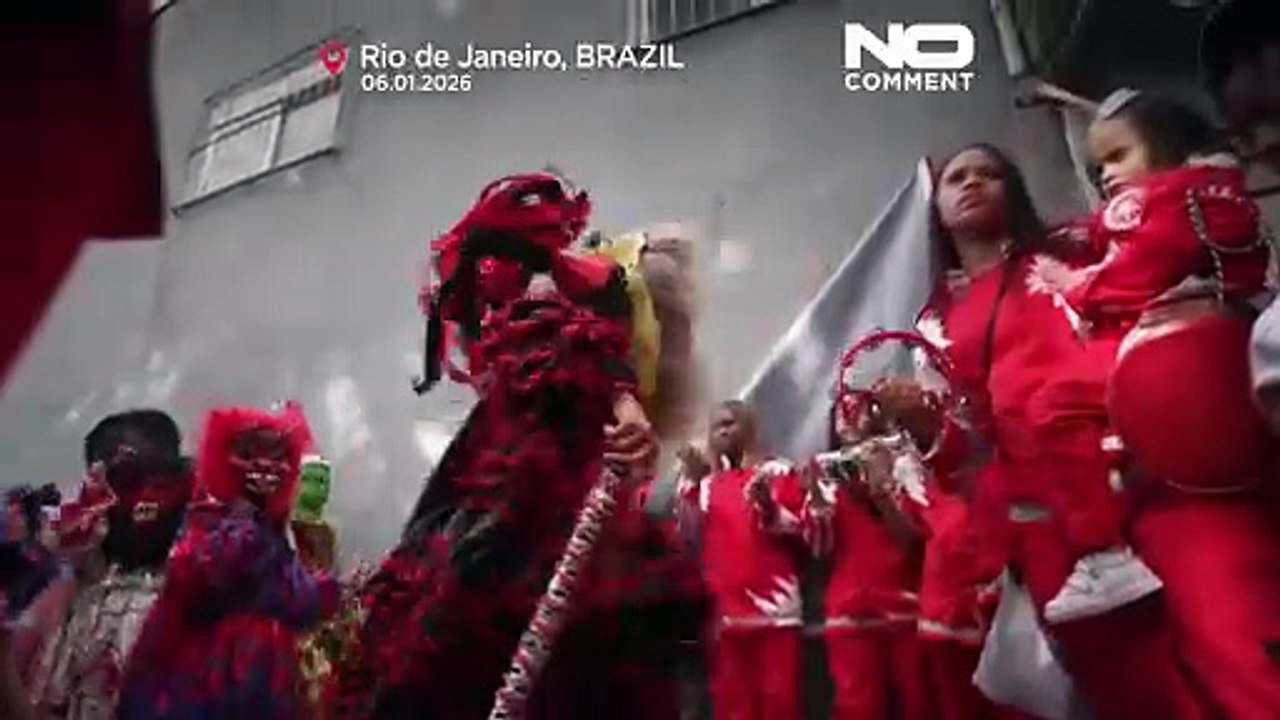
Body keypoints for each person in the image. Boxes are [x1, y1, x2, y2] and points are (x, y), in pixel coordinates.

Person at [328, 173, 705, 719]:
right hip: (514, 555)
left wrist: (619, 400)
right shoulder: (570, 367)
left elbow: (558, 342)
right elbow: (558, 343)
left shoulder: (575, 382)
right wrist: (621, 397)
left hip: (529, 565)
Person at [905, 143, 1205, 720]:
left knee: (1189, 665)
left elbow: (1156, 249)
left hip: (1137, 486)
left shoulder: (1071, 251)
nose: (972, 183)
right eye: (957, 178)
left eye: (988, 174)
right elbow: (964, 443)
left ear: (1012, 191)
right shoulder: (934, 321)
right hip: (1036, 530)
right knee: (1112, 685)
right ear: (937, 208)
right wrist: (921, 423)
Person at [1057, 90, 1280, 719]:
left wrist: (1075, 285)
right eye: (1098, 166)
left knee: (1239, 651)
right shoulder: (1217, 203)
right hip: (1191, 475)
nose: (1106, 176)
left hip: (1203, 483)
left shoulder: (1158, 209)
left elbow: (1126, 265)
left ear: (1170, 150)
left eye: (1119, 155)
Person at [117, 403, 341, 719]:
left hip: (265, 684)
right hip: (206, 687)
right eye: (249, 453)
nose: (264, 465)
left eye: (277, 456)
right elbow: (199, 575)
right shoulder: (208, 520)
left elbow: (300, 603)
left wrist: (318, 563)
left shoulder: (274, 536)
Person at [26, 409, 193, 720]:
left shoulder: (206, 576)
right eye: (125, 478)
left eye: (159, 475)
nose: (146, 494)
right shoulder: (73, 586)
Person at [676, 400, 806, 720]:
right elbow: (689, 538)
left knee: (780, 706)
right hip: (727, 618)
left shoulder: (778, 471)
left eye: (729, 423)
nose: (722, 431)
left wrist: (768, 506)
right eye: (716, 426)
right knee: (733, 709)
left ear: (749, 426)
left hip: (775, 615)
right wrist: (691, 481)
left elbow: (800, 528)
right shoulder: (705, 486)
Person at [803, 399, 928, 720]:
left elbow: (917, 541)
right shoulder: (828, 474)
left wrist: (881, 490)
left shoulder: (902, 464)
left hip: (905, 605)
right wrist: (815, 494)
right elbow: (819, 548)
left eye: (857, 411)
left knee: (919, 704)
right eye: (841, 416)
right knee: (858, 708)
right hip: (849, 612)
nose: (849, 422)